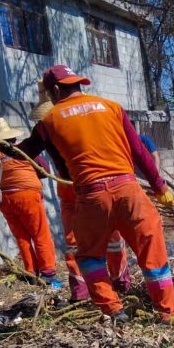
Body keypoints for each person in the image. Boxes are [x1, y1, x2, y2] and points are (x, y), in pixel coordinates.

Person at [12, 65, 174, 326]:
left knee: (90, 257)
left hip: (91, 198)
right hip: (129, 192)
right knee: (153, 251)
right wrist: (160, 188)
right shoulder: (112, 107)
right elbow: (139, 151)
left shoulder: (48, 121)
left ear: (55, 90)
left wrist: (4, 149)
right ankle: (169, 313)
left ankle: (114, 310)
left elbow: (26, 152)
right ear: (77, 83)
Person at [28, 82, 130, 303]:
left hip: (81, 189)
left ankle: (88, 290)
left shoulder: (51, 126)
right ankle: (116, 284)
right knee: (107, 235)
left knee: (81, 242)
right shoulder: (70, 124)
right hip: (85, 189)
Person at [0, 118, 58, 282]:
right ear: (12, 138)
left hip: (5, 201)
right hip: (27, 196)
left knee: (21, 236)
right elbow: (45, 170)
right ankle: (48, 272)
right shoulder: (23, 150)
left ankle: (31, 272)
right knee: (40, 233)